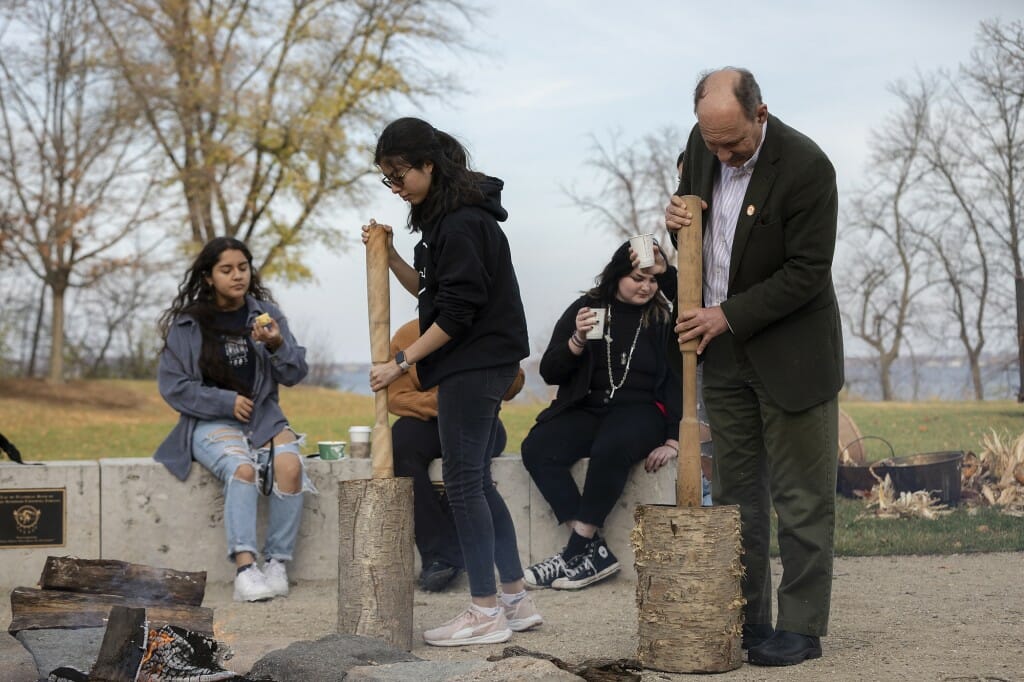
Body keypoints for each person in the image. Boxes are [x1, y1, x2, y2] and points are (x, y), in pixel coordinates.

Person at [666, 68, 844, 666]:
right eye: (711, 142)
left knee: (801, 498)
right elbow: (706, 244)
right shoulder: (701, 145)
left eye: (733, 142)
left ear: (760, 113)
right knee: (738, 498)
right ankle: (747, 620)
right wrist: (675, 231)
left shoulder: (808, 167)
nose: (721, 154)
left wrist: (727, 316)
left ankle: (801, 627)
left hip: (793, 354)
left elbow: (807, 272)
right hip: (723, 357)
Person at [364, 117, 541, 647]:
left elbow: (458, 313)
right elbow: (433, 292)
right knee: (477, 483)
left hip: (475, 362)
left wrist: (400, 363)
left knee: (464, 485)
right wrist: (393, 256)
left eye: (400, 176)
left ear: (428, 165)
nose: (396, 188)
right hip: (480, 360)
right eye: (387, 179)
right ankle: (514, 598)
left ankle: (485, 611)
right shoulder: (448, 220)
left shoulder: (462, 222)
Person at [154, 237, 313, 603]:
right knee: (242, 470)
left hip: (264, 418)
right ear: (209, 276)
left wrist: (276, 345)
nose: (237, 276)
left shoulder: (266, 315)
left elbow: (294, 373)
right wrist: (224, 402)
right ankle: (245, 570)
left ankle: (276, 563)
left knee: (290, 466)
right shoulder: (188, 324)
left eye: (243, 268)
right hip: (208, 423)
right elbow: (173, 387)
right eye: (226, 270)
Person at [520, 240, 683, 590]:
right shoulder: (589, 308)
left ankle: (574, 552)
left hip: (642, 411)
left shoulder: (661, 318)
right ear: (617, 274)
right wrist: (577, 340)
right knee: (538, 447)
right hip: (588, 407)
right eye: (638, 278)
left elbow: (676, 379)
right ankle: (594, 552)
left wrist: (674, 437)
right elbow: (551, 371)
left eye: (653, 280)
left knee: (612, 445)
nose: (646, 287)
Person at [388, 319, 526, 592]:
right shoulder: (408, 334)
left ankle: (452, 557)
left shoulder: (484, 328)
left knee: (470, 468)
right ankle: (437, 557)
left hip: (479, 418)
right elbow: (396, 397)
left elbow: (511, 386)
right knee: (400, 446)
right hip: (429, 421)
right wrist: (444, 403)